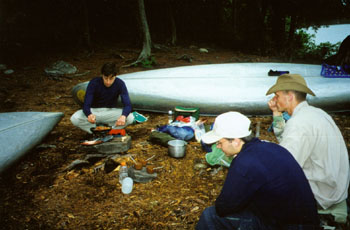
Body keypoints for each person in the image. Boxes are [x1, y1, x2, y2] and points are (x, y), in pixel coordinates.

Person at [196, 111, 320, 230]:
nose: (218, 147)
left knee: (210, 216)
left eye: (219, 143)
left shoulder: (244, 162)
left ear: (235, 141)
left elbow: (223, 207)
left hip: (285, 226)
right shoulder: (271, 147)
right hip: (307, 221)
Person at [266, 73, 350, 224]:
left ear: (290, 96)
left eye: (277, 95)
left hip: (322, 194)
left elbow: (285, 166)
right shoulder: (317, 113)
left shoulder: (299, 123)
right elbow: (288, 142)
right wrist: (277, 113)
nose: (274, 99)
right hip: (335, 187)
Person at [71, 62, 135, 133]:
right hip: (94, 112)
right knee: (74, 118)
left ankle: (110, 131)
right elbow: (86, 104)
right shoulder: (94, 83)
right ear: (102, 75)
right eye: (105, 78)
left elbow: (127, 105)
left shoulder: (120, 84)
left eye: (111, 79)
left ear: (116, 76)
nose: (108, 82)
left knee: (130, 117)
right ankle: (95, 131)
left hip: (110, 111)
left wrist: (123, 116)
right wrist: (89, 114)